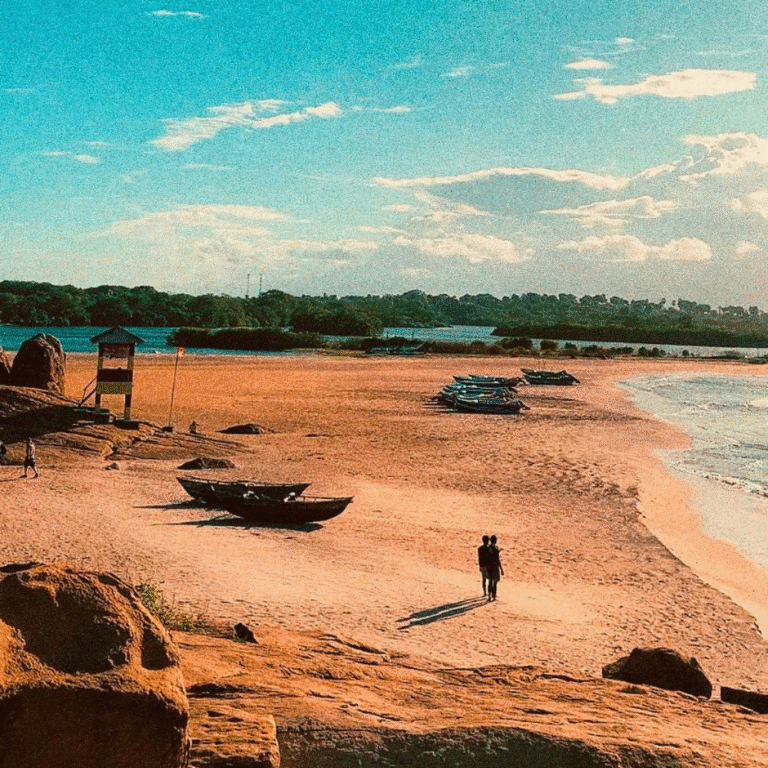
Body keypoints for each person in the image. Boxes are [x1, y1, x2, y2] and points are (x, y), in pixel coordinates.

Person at [486, 534, 503, 601]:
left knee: (490, 582)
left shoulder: (488, 548)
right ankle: (493, 596)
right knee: (494, 583)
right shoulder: (496, 548)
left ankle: (490, 596)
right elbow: (498, 560)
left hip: (490, 567)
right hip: (495, 567)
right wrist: (501, 569)